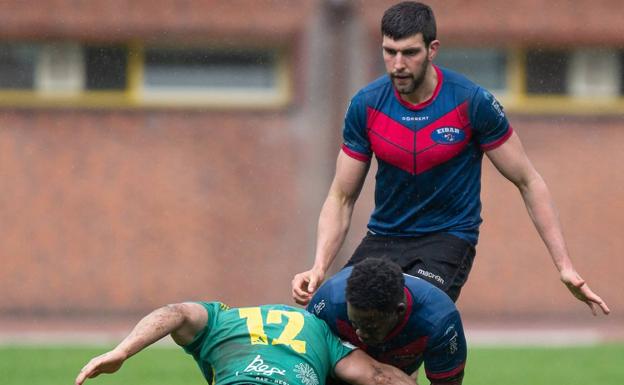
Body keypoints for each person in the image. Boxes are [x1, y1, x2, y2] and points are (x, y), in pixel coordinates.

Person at [292, 1, 609, 315]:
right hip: (384, 237)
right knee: (331, 312)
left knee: (403, 313)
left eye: (410, 52)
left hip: (447, 239)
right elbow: (341, 197)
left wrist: (564, 266)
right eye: (390, 52)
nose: (398, 64)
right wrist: (319, 266)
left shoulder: (470, 102)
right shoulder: (367, 105)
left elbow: (529, 181)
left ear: (432, 50)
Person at [75, 301, 416, 385]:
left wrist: (122, 351)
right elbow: (376, 376)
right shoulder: (320, 332)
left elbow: (173, 313)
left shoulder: (221, 319)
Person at [308, 258, 466, 385]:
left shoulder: (440, 321)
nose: (359, 334)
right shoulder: (329, 300)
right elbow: (305, 357)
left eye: (370, 327)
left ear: (399, 311)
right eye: (354, 324)